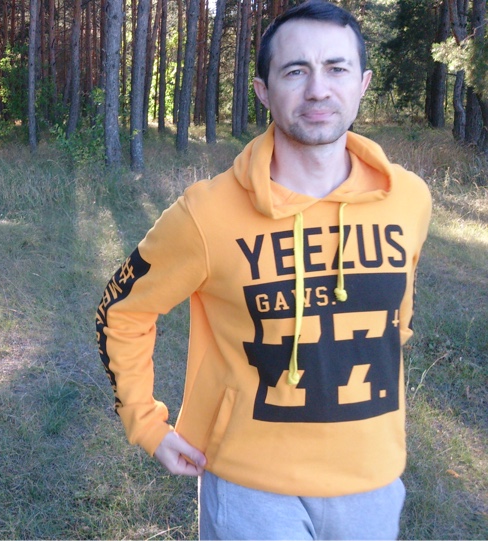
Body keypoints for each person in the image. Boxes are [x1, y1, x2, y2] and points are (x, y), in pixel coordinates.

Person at [94, 1, 432, 539]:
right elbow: (121, 311)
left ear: (363, 83)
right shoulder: (206, 214)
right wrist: (146, 423)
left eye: (337, 68)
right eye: (295, 71)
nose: (318, 90)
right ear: (263, 90)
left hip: (372, 478)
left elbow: (397, 322)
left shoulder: (408, 199)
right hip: (249, 487)